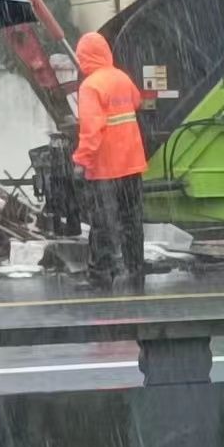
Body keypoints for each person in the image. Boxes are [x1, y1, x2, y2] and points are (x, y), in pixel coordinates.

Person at [72, 31, 147, 290]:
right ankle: (135, 268)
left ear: (84, 57)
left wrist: (81, 161)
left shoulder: (91, 86)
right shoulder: (122, 78)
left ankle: (101, 274)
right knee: (131, 220)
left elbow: (92, 129)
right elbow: (136, 102)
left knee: (103, 222)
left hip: (106, 167)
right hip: (132, 163)